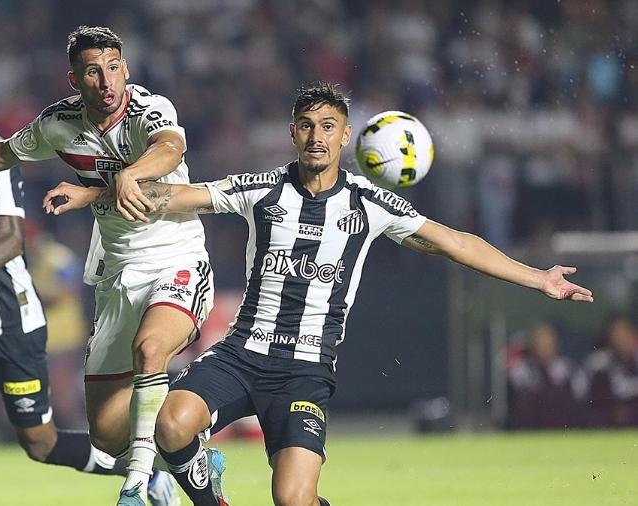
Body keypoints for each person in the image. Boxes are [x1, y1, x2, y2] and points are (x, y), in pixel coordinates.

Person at [42, 82, 595, 506]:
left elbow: (454, 242)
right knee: (170, 423)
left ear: (345, 135)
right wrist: (94, 190)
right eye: (305, 126)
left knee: (292, 499)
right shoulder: (260, 189)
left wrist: (538, 278)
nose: (315, 137)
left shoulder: (370, 203)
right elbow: (175, 196)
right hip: (241, 354)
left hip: (304, 370)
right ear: (292, 134)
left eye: (327, 126)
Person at [0, 27, 212, 505]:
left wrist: (131, 173)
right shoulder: (59, 124)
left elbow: (169, 149)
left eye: (114, 67)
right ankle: (187, 444)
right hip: (118, 272)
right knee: (105, 434)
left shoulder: (148, 110)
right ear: (75, 79)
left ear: (127, 70)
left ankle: (140, 481)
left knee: (151, 349)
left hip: (176, 256)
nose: (106, 80)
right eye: (93, 71)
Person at [506, 322, 584, 429]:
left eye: (548, 341)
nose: (544, 346)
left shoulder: (570, 369)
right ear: (532, 344)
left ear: (556, 343)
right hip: (531, 431)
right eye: (539, 341)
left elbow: (580, 400)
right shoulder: (521, 371)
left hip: (566, 431)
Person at [584, 315, 638, 427]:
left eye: (623, 334)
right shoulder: (599, 364)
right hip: (609, 422)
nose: (620, 340)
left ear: (632, 336)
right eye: (616, 335)